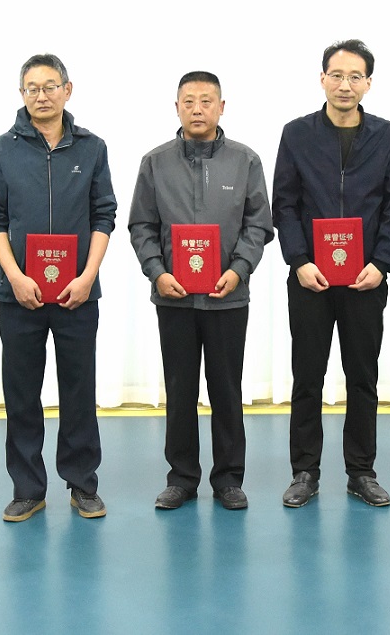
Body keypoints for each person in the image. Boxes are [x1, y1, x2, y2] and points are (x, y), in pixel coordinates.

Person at [0, 54, 117, 522]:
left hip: (78, 292)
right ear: (22, 94)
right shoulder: (3, 149)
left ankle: (83, 485)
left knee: (79, 390)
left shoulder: (92, 148)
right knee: (21, 393)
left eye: (50, 86)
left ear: (67, 90)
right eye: (32, 88)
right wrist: (15, 276)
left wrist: (88, 276)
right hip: (19, 294)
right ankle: (27, 488)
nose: (42, 95)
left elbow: (104, 215)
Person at [271, 39, 390, 508]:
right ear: (322, 79)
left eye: (355, 76)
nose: (345, 84)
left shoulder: (387, 136)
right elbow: (285, 203)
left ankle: (361, 472)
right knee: (307, 376)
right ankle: (304, 472)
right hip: (310, 278)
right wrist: (299, 260)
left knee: (362, 377)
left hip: (365, 279)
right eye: (336, 75)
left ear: (368, 83)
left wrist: (381, 263)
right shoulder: (297, 134)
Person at [128, 71, 274, 511]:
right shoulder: (155, 163)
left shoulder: (245, 161)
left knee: (226, 390)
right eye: (188, 101)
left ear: (221, 107)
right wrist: (157, 273)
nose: (197, 109)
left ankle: (228, 479)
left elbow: (258, 225)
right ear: (176, 107)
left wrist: (239, 269)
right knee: (180, 390)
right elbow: (141, 225)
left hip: (228, 297)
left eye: (206, 101)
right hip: (173, 297)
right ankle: (181, 478)